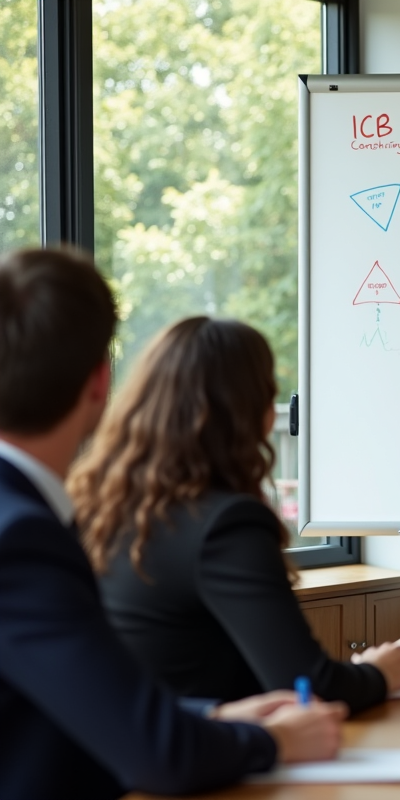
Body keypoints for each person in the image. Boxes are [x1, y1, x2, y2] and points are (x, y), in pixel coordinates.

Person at [0, 248, 344, 800]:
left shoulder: (44, 514)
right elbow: (157, 756)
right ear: (97, 381)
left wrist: (217, 715)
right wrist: (270, 739)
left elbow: (81, 701)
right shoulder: (20, 538)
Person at [69, 316, 400, 714]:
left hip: (139, 753)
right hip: (218, 760)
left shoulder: (103, 505)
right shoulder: (226, 524)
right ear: (256, 412)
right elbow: (310, 686)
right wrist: (379, 671)